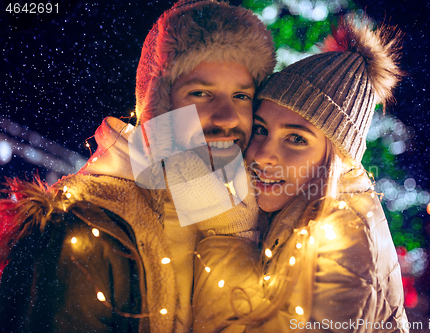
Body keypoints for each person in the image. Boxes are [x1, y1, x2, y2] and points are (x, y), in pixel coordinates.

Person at [0, 0, 275, 332]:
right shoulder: (82, 226)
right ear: (158, 104)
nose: (228, 117)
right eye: (201, 93)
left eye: (241, 96)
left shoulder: (254, 216)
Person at [191, 15, 409, 332]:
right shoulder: (300, 205)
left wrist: (228, 237)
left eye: (296, 139)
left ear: (337, 157)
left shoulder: (343, 240)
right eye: (261, 129)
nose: (263, 154)